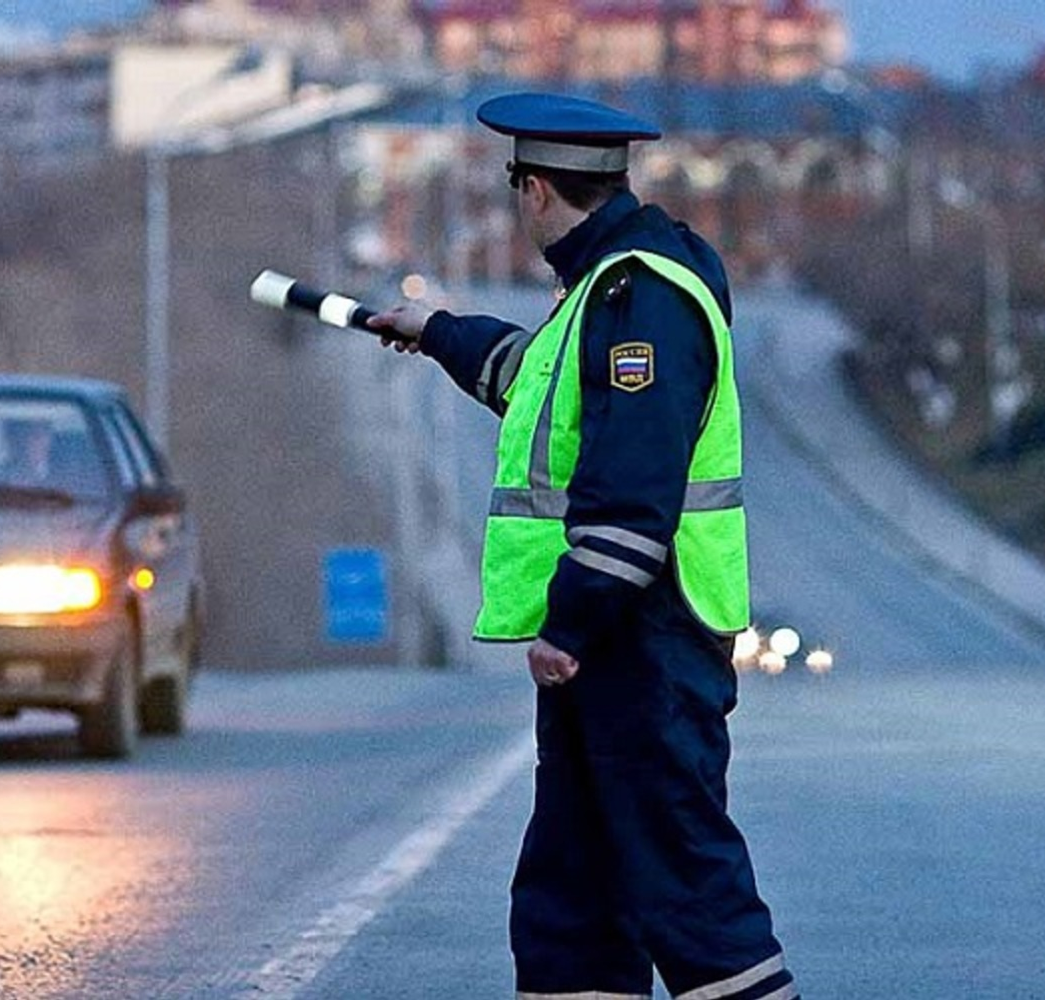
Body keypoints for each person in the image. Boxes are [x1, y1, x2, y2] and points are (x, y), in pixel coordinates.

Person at [366, 93, 796, 1000]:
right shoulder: (604, 292)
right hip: (617, 653)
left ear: (532, 189)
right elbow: (538, 385)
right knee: (573, 901)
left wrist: (569, 626)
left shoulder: (642, 297)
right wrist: (438, 332)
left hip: (642, 641)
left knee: (687, 890)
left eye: (514, 185)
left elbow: (630, 487)